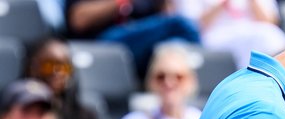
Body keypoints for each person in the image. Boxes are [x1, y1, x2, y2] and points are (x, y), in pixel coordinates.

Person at [64, 0, 200, 77]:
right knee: (183, 25)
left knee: (176, 41)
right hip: (102, 43)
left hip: (142, 45)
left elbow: (165, 16)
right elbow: (78, 20)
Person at [174, 0, 285, 69]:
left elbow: (270, 21)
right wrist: (222, 4)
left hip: (257, 34)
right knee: (257, 37)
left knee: (266, 35)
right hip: (214, 36)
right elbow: (192, 26)